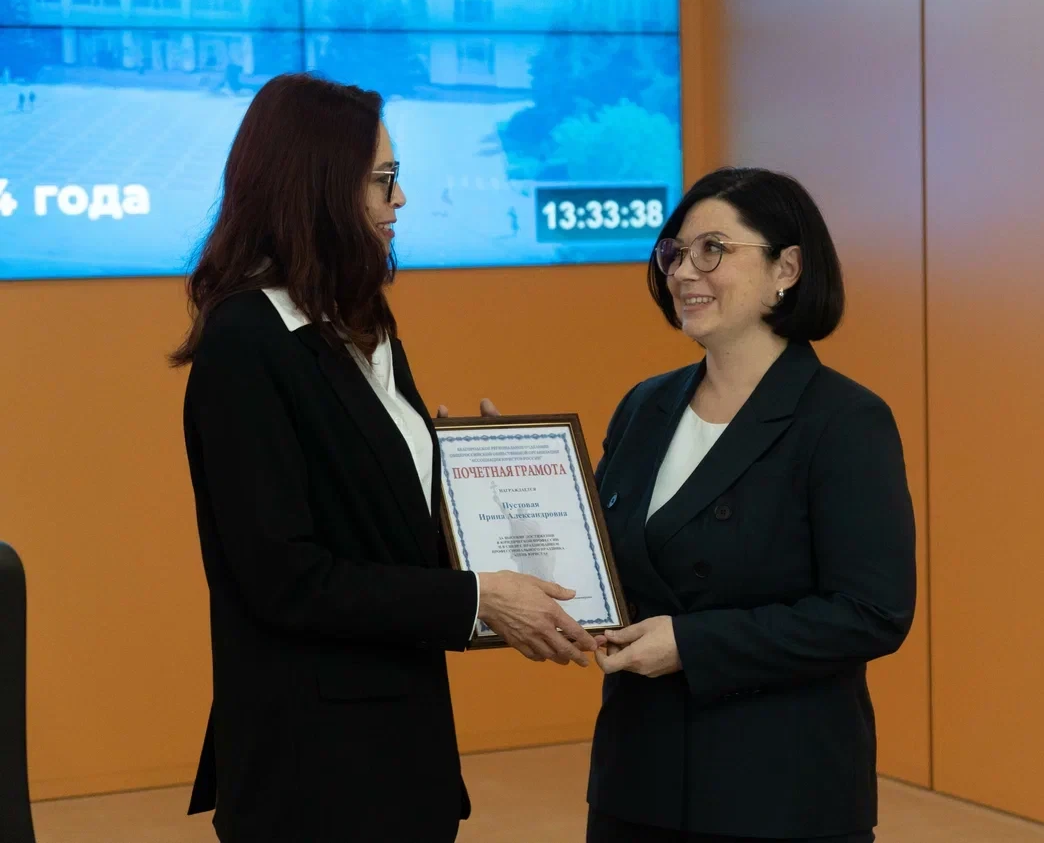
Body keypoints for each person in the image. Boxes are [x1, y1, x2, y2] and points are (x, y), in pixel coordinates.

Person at [168, 72, 596, 843]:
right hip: (313, 775)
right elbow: (286, 579)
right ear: (319, 187)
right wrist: (477, 597)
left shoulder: (362, 324)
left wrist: (474, 486)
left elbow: (378, 517)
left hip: (398, 751)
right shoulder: (246, 345)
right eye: (383, 179)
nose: (400, 199)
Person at [586, 167, 917, 843]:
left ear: (785, 269)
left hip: (777, 791)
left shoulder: (844, 419)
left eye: (713, 249)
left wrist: (691, 644)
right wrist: (513, 490)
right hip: (638, 780)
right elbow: (602, 563)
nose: (684, 271)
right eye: (675, 251)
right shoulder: (644, 405)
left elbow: (871, 613)